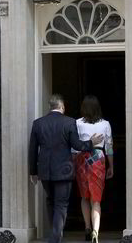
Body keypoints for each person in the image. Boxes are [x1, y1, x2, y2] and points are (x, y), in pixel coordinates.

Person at [29, 94, 103, 243]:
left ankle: (56, 234)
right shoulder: (69, 122)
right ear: (62, 107)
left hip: (45, 171)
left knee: (51, 200)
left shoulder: (38, 123)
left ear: (50, 107)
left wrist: (33, 172)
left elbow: (32, 149)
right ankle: (55, 238)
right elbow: (77, 145)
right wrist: (91, 143)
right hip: (64, 170)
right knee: (61, 204)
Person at [73, 95, 114, 243]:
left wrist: (72, 165)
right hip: (98, 159)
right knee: (96, 199)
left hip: (82, 159)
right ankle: (96, 231)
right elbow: (109, 147)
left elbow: (73, 147)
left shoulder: (77, 123)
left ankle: (87, 227)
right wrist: (111, 166)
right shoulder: (105, 124)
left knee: (84, 196)